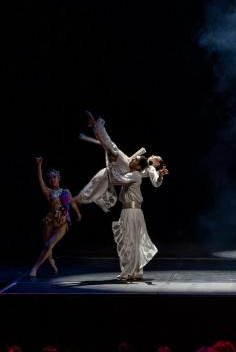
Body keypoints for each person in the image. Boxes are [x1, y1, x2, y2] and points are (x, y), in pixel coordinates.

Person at [89, 114, 168, 281]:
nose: (155, 158)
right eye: (155, 158)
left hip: (132, 207)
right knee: (112, 148)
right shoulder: (140, 167)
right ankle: (98, 128)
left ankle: (129, 272)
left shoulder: (145, 170)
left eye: (157, 160)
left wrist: (158, 174)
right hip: (129, 194)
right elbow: (123, 177)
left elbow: (153, 180)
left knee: (130, 241)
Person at [30, 157, 82, 278]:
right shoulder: (48, 192)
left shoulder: (65, 191)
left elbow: (72, 203)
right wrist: (39, 165)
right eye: (50, 178)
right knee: (47, 246)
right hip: (49, 221)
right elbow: (40, 179)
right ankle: (51, 262)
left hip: (62, 222)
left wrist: (78, 213)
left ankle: (35, 268)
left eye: (54, 177)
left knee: (49, 245)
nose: (52, 179)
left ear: (59, 178)